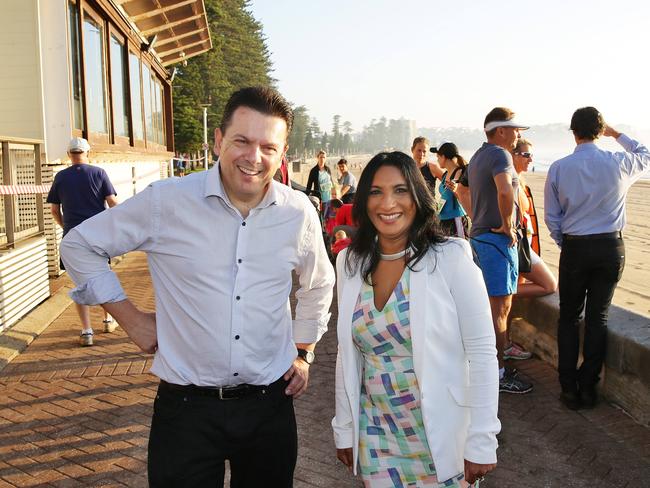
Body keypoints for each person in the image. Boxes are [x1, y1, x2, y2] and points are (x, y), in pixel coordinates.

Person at [60, 86, 335, 487]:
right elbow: (79, 245)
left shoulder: (298, 213)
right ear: (219, 140)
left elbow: (319, 284)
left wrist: (304, 351)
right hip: (185, 411)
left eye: (267, 147)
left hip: (269, 409)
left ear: (283, 152)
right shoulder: (167, 202)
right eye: (241, 141)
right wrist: (130, 318)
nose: (253, 157)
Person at [333, 151, 499, 487]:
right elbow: (345, 353)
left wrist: (482, 438)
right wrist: (345, 427)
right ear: (364, 200)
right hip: (376, 434)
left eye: (400, 190)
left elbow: (482, 353)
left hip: (439, 435)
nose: (387, 202)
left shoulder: (451, 259)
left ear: (418, 197)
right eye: (376, 192)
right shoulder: (350, 262)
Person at [544, 106, 650, 410]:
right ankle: (589, 387)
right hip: (609, 247)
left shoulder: (560, 167)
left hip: (577, 247)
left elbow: (553, 218)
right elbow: (645, 153)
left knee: (569, 317)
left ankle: (568, 388)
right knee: (597, 318)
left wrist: (567, 243)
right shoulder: (618, 162)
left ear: (573, 132)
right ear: (600, 131)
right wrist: (617, 134)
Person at [467, 107, 533, 394]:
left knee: (486, 310)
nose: (518, 134)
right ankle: (498, 374)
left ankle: (489, 368)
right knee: (500, 311)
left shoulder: (478, 156)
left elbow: (464, 193)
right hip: (496, 242)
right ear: (501, 130)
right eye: (515, 129)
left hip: (480, 239)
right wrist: (508, 225)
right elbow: (505, 191)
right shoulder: (499, 155)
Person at [46, 137, 118, 347]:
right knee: (103, 278)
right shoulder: (99, 173)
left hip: (72, 237)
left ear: (69, 154)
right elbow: (113, 203)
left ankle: (86, 331)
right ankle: (107, 320)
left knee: (80, 283)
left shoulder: (60, 176)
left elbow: (53, 210)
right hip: (98, 237)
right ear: (88, 153)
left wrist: (65, 228)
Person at [504, 139, 557, 361]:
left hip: (524, 245)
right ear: (513, 155)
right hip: (517, 246)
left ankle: (506, 343)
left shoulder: (518, 179)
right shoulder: (506, 180)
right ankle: (499, 293)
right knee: (549, 284)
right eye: (526, 155)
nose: (530, 159)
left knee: (508, 306)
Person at [432, 142, 470, 238]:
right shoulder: (445, 174)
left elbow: (466, 197)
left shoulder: (461, 172)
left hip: (456, 219)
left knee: (461, 249)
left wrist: (456, 190)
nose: (437, 160)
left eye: (438, 157)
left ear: (443, 157)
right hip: (443, 220)